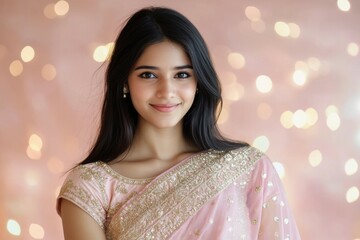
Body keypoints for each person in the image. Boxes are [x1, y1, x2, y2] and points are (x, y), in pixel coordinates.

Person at [56, 6, 301, 240]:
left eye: (182, 75)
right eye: (148, 75)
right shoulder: (90, 186)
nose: (167, 91)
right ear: (124, 82)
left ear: (198, 82)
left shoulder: (247, 169)